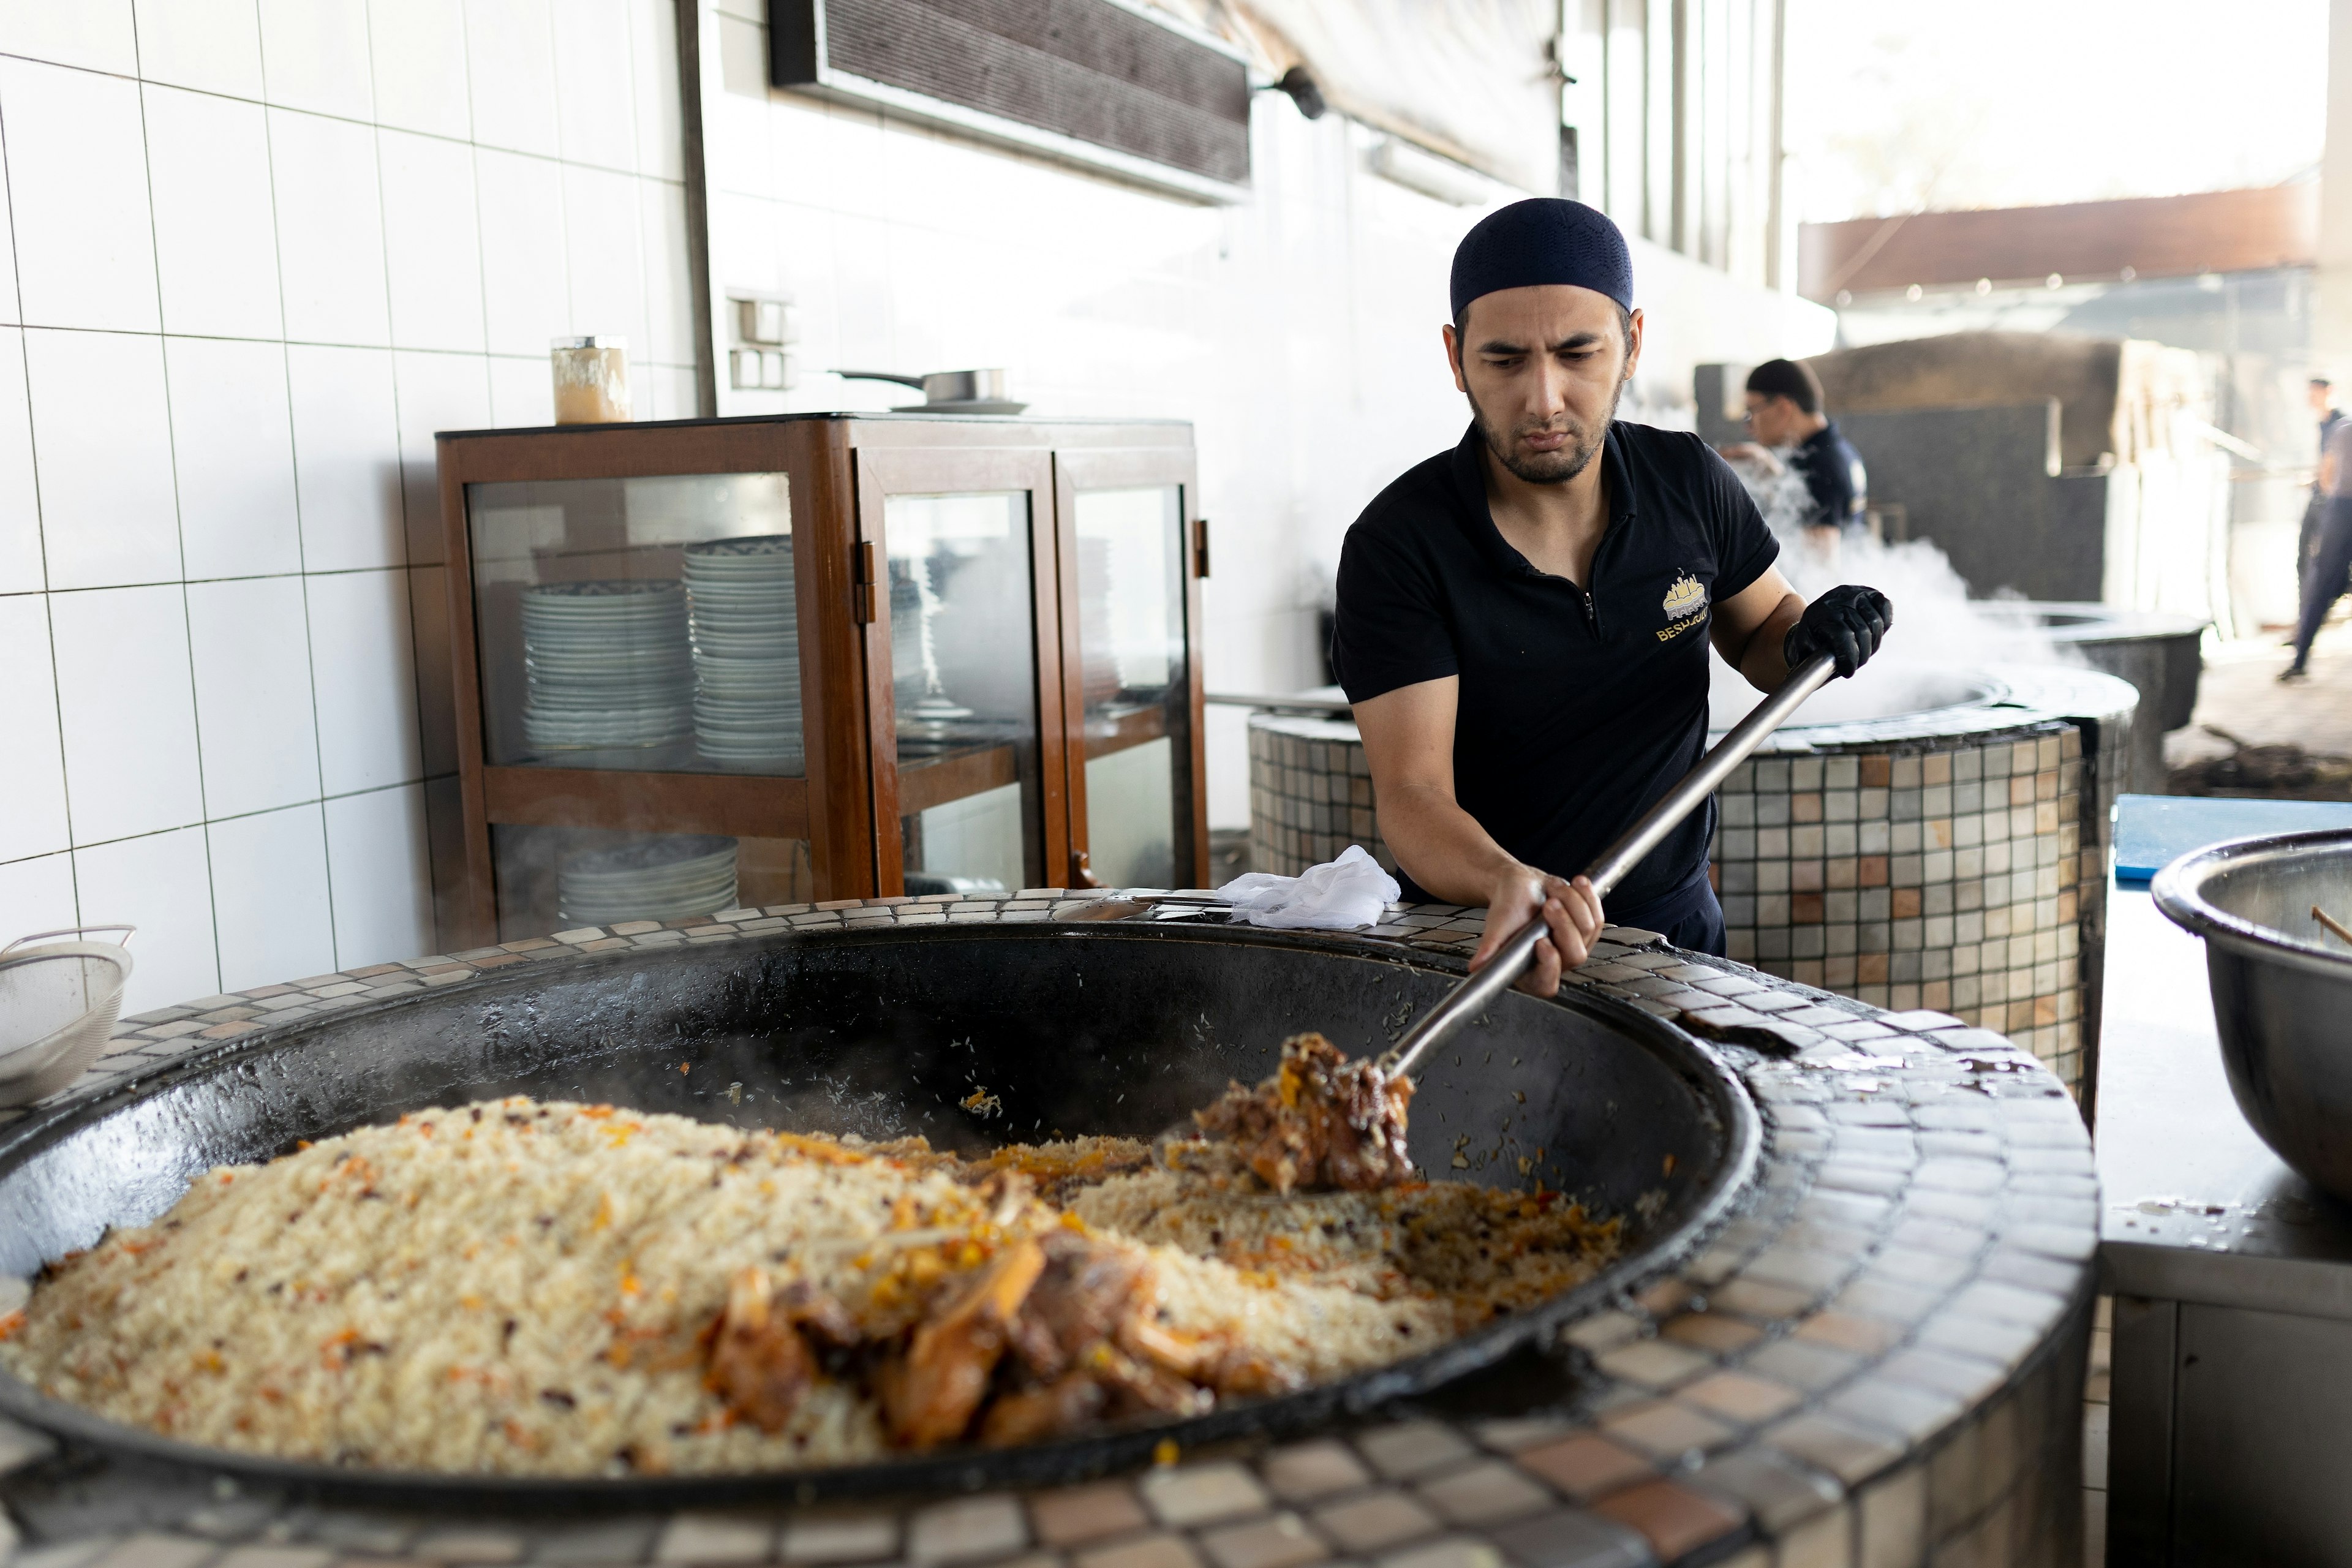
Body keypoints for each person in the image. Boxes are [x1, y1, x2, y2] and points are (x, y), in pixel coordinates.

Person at [1328, 198, 1893, 996]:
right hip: (1491, 945)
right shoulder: (1401, 545)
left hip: (1675, 931)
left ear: (1631, 343)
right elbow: (1413, 794)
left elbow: (1765, 627)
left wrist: (1810, 635)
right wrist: (1503, 880)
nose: (1545, 399)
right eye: (1504, 360)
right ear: (1456, 358)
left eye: (1576, 352)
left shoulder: (1691, 483)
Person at [1717, 359, 1868, 543]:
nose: (1749, 427)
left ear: (1783, 408)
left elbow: (1819, 564)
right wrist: (1768, 469)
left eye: (1752, 412)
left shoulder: (1820, 466)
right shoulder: (1838, 450)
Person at [2284, 412, 2352, 681]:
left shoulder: (2342, 429)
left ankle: (2300, 661)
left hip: (2339, 511)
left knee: (2322, 585)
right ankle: (2300, 659)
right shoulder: (2343, 430)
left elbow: (2327, 474)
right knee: (2323, 584)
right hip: (2340, 512)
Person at [2296, 376, 2344, 613]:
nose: (2310, 398)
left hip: (2334, 504)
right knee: (2304, 560)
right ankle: (2304, 618)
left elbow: (2335, 469)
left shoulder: (2340, 424)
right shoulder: (2323, 425)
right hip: (2321, 499)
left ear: (2328, 392)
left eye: (2315, 392)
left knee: (2327, 566)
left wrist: (2320, 480)